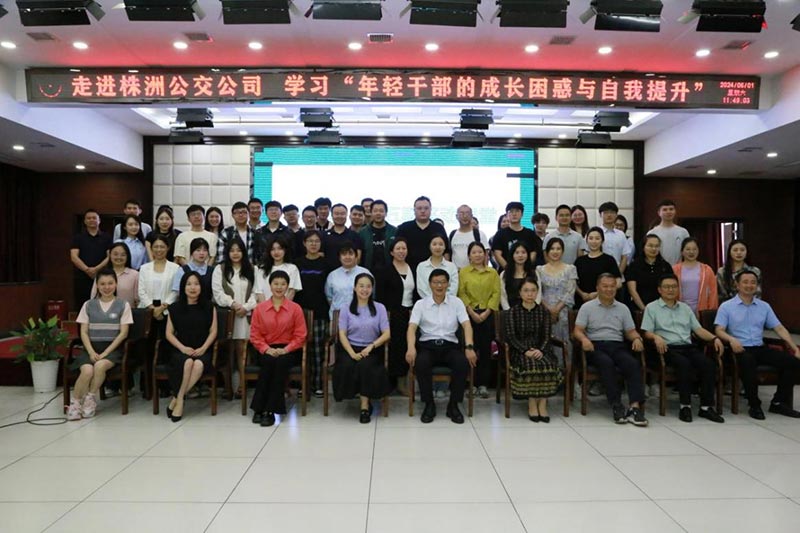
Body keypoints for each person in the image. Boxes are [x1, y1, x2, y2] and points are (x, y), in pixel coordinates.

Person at [715, 271, 800, 420]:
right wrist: (731, 339)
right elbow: (719, 330)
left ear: (757, 285)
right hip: (738, 349)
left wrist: (794, 348)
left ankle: (778, 402)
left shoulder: (764, 306)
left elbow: (779, 328)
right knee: (748, 361)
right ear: (737, 285)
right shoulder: (726, 306)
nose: (749, 285)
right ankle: (754, 405)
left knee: (792, 362)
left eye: (753, 282)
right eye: (745, 282)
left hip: (759, 347)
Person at [641, 274, 725, 423]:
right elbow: (646, 332)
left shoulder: (685, 308)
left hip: (688, 347)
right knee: (683, 364)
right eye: (667, 287)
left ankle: (706, 407)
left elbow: (698, 330)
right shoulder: (651, 308)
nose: (670, 290)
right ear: (659, 290)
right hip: (666, 348)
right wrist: (655, 337)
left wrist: (714, 338)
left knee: (708, 364)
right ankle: (685, 406)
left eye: (674, 287)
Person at [573, 273, 648, 426]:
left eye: (612, 286)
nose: (609, 289)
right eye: (605, 286)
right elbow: (577, 330)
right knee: (606, 363)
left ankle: (634, 408)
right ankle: (616, 405)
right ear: (597, 288)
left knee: (632, 364)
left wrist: (636, 338)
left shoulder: (623, 308)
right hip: (595, 346)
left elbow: (630, 331)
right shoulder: (587, 307)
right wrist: (584, 339)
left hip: (617, 345)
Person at [406, 269, 477, 424]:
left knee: (462, 363)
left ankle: (453, 405)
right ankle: (429, 404)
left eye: (443, 282)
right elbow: (412, 328)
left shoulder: (456, 303)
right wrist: (411, 347)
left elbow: (466, 325)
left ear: (448, 284)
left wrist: (469, 347)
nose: (439, 286)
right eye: (436, 282)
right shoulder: (421, 304)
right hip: (428, 346)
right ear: (430, 284)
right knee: (421, 363)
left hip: (450, 346)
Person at [66, 269, 133, 420]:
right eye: (102, 284)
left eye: (110, 283)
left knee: (100, 366)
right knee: (87, 370)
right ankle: (75, 403)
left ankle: (90, 399)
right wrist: (90, 352)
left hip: (112, 350)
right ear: (97, 285)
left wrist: (105, 353)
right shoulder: (88, 305)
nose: (106, 287)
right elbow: (83, 332)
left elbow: (123, 333)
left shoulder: (123, 305)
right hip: (90, 349)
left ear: (116, 284)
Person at [249, 270, 308, 426]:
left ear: (287, 286)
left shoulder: (295, 308)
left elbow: (301, 335)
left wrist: (286, 349)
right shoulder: (260, 308)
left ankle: (269, 410)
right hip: (265, 348)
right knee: (269, 361)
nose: (279, 287)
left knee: (280, 362)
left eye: (283, 284)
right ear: (270, 286)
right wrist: (266, 349)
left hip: (289, 349)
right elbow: (255, 335)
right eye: (276, 283)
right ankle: (259, 409)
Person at [504, 277, 564, 422]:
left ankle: (542, 403)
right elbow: (511, 337)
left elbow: (547, 336)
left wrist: (540, 350)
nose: (529, 294)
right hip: (519, 351)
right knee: (530, 365)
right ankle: (532, 402)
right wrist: (525, 350)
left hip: (541, 349)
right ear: (520, 293)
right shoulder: (512, 312)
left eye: (533, 290)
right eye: (526, 291)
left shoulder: (544, 312)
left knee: (548, 364)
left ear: (537, 292)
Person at [334, 273, 392, 423]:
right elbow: (342, 334)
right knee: (347, 365)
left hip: (372, 348)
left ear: (372, 289)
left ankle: (364, 407)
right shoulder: (346, 308)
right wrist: (352, 353)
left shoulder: (380, 308)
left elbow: (387, 333)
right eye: (361, 286)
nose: (364, 290)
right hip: (350, 347)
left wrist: (371, 346)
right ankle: (352, 395)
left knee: (365, 365)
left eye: (368, 286)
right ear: (354, 288)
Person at [164, 271, 218, 422]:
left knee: (198, 364)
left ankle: (177, 399)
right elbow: (169, 333)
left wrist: (204, 348)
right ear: (183, 287)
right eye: (188, 284)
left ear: (201, 287)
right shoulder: (175, 308)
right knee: (187, 362)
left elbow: (213, 331)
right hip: (180, 349)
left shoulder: (209, 306)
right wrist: (182, 348)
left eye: (196, 284)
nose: (192, 287)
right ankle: (180, 400)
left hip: (203, 349)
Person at [458, 242, 501, 398]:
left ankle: (482, 384)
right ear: (469, 256)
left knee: (485, 350)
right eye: (474, 252)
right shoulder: (463, 272)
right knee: (469, 349)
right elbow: (461, 293)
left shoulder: (493, 273)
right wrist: (471, 311)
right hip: (468, 315)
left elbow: (496, 293)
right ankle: (470, 383)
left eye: (480, 252)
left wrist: (487, 312)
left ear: (485, 254)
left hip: (487, 315)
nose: (477, 255)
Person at [375, 238, 417, 395]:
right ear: (392, 252)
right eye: (398, 249)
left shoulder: (413, 267)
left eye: (404, 248)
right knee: (395, 347)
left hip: (410, 312)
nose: (401, 251)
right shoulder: (385, 270)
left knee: (408, 345)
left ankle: (404, 380)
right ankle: (393, 382)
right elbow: (380, 296)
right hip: (392, 314)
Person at [212, 237, 257, 381]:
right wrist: (233, 304)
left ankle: (243, 383)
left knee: (244, 349)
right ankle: (230, 384)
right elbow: (218, 293)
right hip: (228, 316)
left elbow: (257, 292)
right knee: (229, 350)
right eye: (232, 250)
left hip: (247, 315)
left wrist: (246, 307)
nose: (235, 253)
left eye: (238, 250)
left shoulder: (253, 269)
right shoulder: (220, 269)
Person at [294, 230, 330, 398]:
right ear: (304, 243)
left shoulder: (327, 264)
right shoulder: (297, 264)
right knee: (301, 351)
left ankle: (318, 384)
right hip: (300, 313)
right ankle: (303, 384)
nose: (313, 244)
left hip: (320, 313)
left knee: (318, 351)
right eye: (310, 241)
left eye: (316, 241)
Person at [536, 238, 577, 364]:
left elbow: (570, 291)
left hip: (564, 311)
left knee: (565, 342)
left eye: (558, 249)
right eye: (552, 249)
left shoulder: (570, 269)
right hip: (544, 311)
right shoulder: (539, 270)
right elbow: (537, 292)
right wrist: (549, 309)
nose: (555, 251)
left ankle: (566, 372)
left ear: (563, 251)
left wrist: (557, 309)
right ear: (547, 252)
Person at [70, 208, 111, 309]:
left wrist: (96, 269)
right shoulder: (78, 237)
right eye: (88, 218)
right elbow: (74, 257)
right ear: (84, 221)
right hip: (82, 277)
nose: (91, 220)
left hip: (102, 276)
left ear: (99, 220)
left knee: (103, 305)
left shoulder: (107, 237)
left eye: (94, 218)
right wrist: (87, 270)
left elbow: (110, 256)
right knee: (82, 306)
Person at [395, 195, 450, 270]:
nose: (423, 211)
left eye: (426, 208)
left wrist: (446, 269)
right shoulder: (404, 228)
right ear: (414, 210)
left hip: (435, 270)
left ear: (430, 210)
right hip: (409, 270)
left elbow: (446, 251)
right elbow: (396, 251)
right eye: (419, 208)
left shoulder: (438, 228)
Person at [574, 227, 622, 308]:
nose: (594, 241)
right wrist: (582, 294)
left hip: (604, 302)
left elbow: (618, 283)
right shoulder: (580, 261)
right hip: (583, 302)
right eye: (591, 238)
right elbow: (573, 282)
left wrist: (598, 293)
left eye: (597, 238)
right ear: (586, 241)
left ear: (602, 241)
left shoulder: (609, 260)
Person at [138, 235, 179, 326]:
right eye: (156, 247)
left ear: (167, 248)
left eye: (162, 247)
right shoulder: (144, 268)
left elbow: (175, 291)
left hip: (167, 310)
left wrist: (161, 308)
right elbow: (141, 291)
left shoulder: (175, 268)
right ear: (151, 249)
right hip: (147, 310)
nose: (159, 250)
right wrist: (153, 309)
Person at [627, 234, 674, 312]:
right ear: (643, 247)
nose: (654, 249)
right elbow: (632, 290)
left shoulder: (665, 266)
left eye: (657, 246)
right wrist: (644, 309)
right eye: (650, 246)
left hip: (663, 308)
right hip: (640, 308)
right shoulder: (634, 266)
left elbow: (670, 288)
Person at [491, 201, 543, 269]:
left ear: (522, 214)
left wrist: (525, 268)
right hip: (506, 272)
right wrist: (509, 269)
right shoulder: (500, 234)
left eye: (517, 211)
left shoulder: (530, 233)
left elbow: (533, 252)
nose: (514, 214)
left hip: (526, 271)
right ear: (507, 215)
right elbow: (497, 254)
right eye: (511, 212)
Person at [325, 243, 371, 319]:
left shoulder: (365, 273)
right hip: (338, 316)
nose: (347, 257)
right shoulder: (332, 275)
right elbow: (329, 298)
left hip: (361, 316)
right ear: (339, 257)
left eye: (351, 253)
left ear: (356, 256)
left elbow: (371, 295)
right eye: (344, 254)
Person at [673, 237, 718, 313]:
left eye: (694, 249)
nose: (691, 252)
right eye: (688, 249)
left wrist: (711, 312)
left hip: (701, 310)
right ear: (682, 252)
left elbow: (713, 293)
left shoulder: (707, 270)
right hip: (679, 310)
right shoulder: (675, 270)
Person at [91, 242, 139, 307]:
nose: (119, 257)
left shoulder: (135, 275)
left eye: (123, 255)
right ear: (110, 255)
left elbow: (137, 299)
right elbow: (94, 296)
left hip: (127, 311)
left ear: (127, 256)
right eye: (115, 254)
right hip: (103, 311)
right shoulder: (102, 273)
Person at [255, 236, 302, 302]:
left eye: (280, 249)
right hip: (265, 306)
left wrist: (281, 307)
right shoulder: (262, 269)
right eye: (273, 249)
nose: (276, 252)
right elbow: (259, 292)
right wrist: (266, 307)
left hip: (285, 307)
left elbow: (291, 292)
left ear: (285, 250)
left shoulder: (292, 268)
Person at [648, 199, 690, 266]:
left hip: (678, 268)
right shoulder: (652, 233)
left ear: (675, 211)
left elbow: (688, 252)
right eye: (665, 210)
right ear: (659, 213)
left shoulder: (683, 232)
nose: (668, 212)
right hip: (658, 268)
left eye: (671, 209)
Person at [359, 199, 397, 272]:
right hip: (368, 272)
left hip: (390, 272)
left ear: (386, 213)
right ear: (371, 213)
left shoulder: (394, 231)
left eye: (381, 211)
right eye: (375, 211)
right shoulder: (362, 232)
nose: (378, 213)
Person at [501, 242, 539, 310]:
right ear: (512, 255)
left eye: (523, 252)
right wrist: (509, 311)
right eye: (517, 253)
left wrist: (533, 309)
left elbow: (538, 294)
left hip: (531, 311)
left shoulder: (534, 273)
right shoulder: (504, 274)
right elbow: (502, 296)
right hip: (510, 311)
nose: (520, 255)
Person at [324, 203, 364, 269]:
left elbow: (358, 258)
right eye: (336, 214)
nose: (339, 216)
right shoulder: (324, 235)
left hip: (350, 272)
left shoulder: (354, 235)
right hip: (328, 272)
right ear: (332, 215)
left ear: (347, 215)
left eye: (342, 214)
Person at [450, 204, 490, 269]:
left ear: (471, 216)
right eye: (461, 213)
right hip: (456, 273)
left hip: (475, 272)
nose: (465, 216)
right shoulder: (452, 234)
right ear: (457, 216)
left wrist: (484, 271)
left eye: (467, 213)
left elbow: (486, 255)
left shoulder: (479, 234)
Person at [598, 202, 630, 273]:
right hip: (598, 272)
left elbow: (624, 257)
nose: (609, 215)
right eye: (606, 212)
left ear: (616, 215)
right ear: (600, 215)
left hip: (617, 272)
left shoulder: (621, 234)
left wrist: (619, 273)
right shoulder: (595, 232)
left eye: (612, 212)